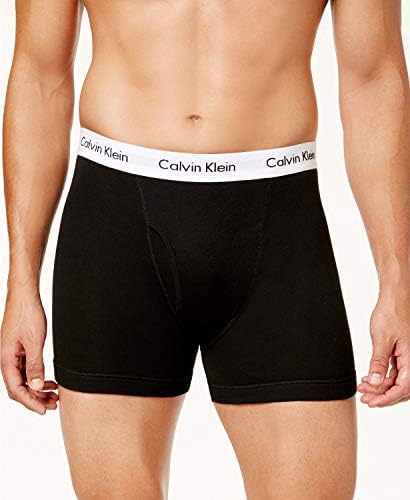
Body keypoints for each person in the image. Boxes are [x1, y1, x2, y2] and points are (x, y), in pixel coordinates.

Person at [1, 0, 409, 498]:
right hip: (115, 230)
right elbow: (39, 76)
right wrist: (20, 281)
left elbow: (374, 77)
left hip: (277, 228)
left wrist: (398, 282)